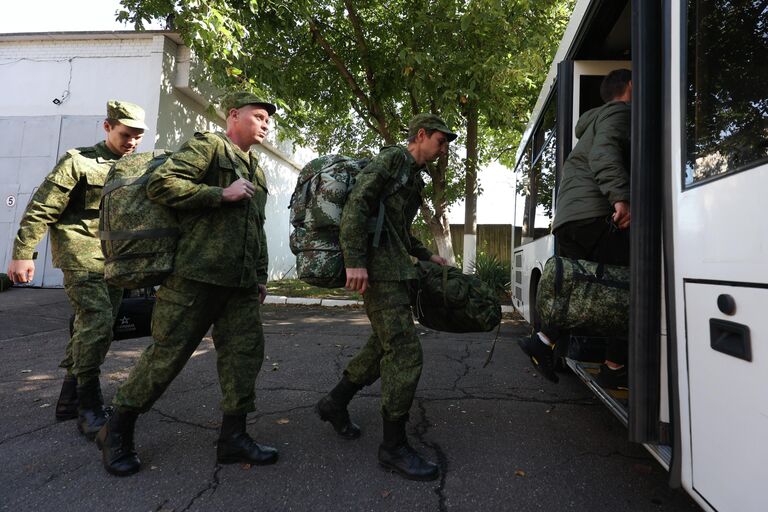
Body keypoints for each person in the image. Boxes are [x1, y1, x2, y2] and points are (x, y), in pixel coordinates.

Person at [96, 92, 278, 477]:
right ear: (233, 116)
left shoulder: (256, 168)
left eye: (268, 121)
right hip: (195, 277)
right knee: (167, 357)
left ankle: (233, 438)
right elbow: (161, 184)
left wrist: (259, 276)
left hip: (240, 285)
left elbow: (255, 228)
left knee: (244, 358)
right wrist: (218, 193)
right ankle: (116, 429)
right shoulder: (209, 146)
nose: (265, 125)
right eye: (259, 117)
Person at [314, 113, 456, 481]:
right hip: (378, 272)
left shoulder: (412, 177)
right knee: (405, 351)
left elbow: (398, 229)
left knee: (382, 345)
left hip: (395, 270)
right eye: (441, 141)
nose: (444, 149)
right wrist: (355, 261)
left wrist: (426, 255)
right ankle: (392, 447)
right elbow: (357, 205)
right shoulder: (393, 159)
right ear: (421, 135)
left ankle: (335, 402)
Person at [7, 100, 147, 438]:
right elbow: (42, 207)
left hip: (116, 260)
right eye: (125, 134)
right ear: (107, 126)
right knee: (97, 322)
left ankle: (68, 401)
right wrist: (23, 252)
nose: (131, 142)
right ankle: (89, 407)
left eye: (137, 136)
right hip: (81, 255)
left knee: (97, 325)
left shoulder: (137, 167)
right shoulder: (78, 161)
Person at [519, 69, 632, 389]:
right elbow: (604, 154)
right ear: (631, 86)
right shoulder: (620, 113)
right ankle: (613, 366)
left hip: (568, 219)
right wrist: (620, 197)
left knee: (577, 287)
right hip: (592, 215)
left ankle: (542, 341)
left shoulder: (592, 123)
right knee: (629, 285)